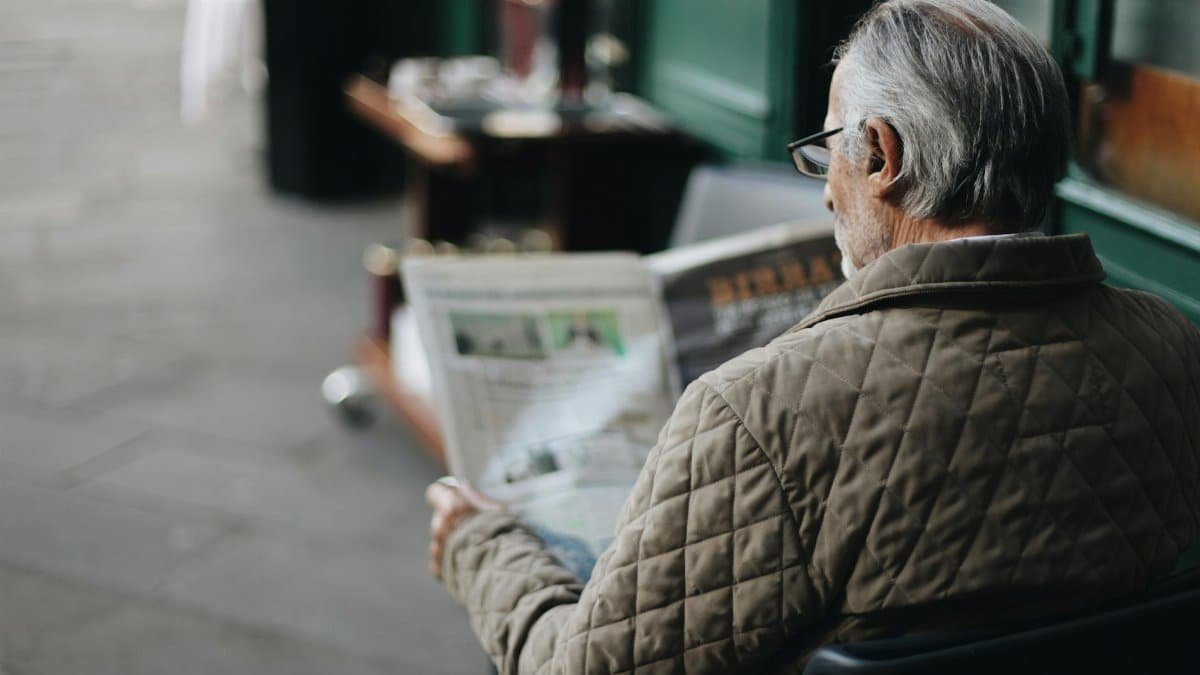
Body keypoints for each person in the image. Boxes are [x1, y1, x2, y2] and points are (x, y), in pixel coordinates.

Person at [425, 1, 1200, 672]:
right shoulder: (1174, 347)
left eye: (830, 146)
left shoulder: (759, 412)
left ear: (883, 155)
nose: (825, 183)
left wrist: (479, 544)